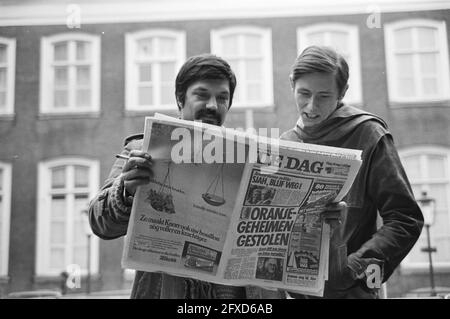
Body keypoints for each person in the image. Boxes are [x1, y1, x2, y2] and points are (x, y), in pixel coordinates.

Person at [88, 54, 283, 299]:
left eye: (222, 97)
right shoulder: (144, 148)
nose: (213, 105)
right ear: (181, 99)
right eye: (202, 95)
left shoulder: (250, 156)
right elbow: (99, 222)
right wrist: (125, 190)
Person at [280, 45, 424, 298]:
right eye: (304, 93)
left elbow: (405, 219)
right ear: (292, 84)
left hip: (352, 292)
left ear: (342, 92)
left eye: (324, 96)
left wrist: (355, 267)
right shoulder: (286, 142)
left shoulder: (369, 135)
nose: (311, 106)